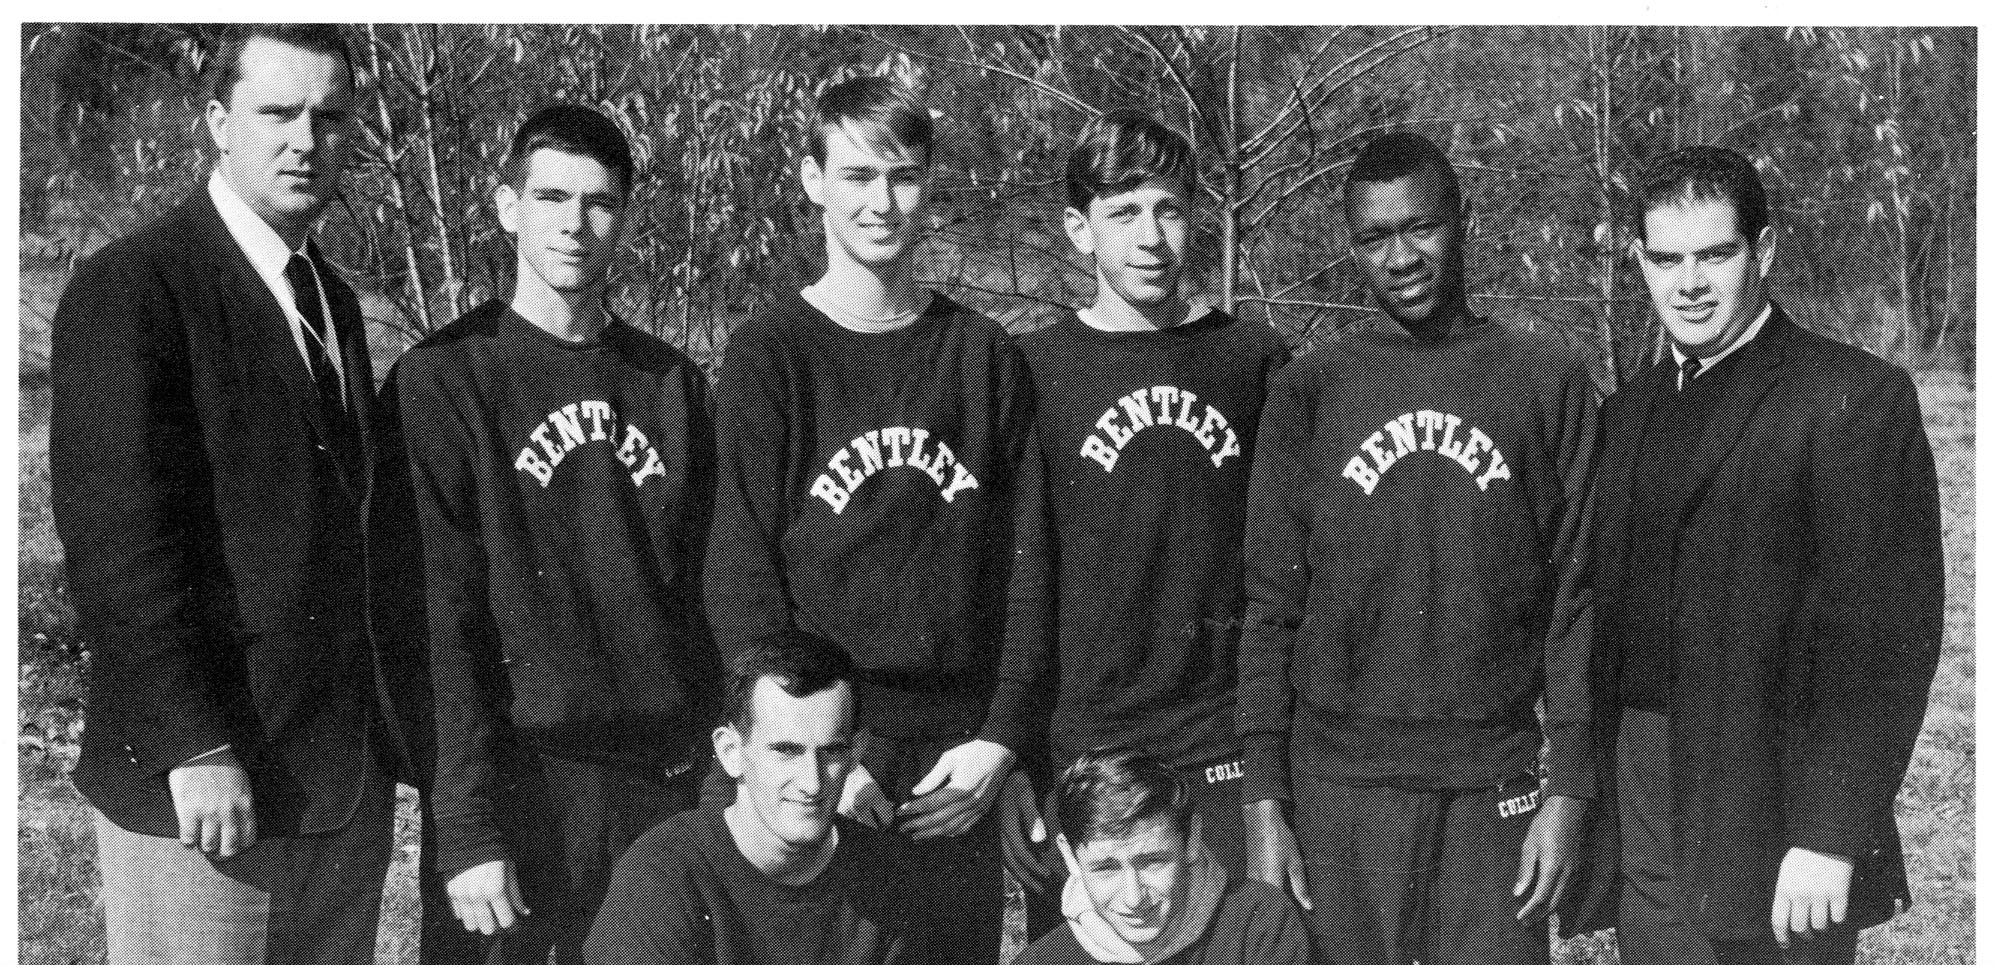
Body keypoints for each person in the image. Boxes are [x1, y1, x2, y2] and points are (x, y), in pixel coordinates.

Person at [48, 23, 424, 964]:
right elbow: (118, 543)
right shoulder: (134, 287)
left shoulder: (331, 300)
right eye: (277, 112)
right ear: (218, 120)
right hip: (204, 798)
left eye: (330, 117)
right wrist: (194, 747)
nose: (306, 139)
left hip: (334, 789)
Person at [1235, 131, 1599, 965]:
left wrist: (1570, 784)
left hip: (1492, 781)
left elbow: (1580, 595)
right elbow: (1269, 607)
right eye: (1373, 237)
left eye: (1420, 228)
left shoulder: (1545, 378)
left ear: (1462, 220)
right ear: (1352, 246)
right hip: (1342, 790)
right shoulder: (1312, 390)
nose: (1400, 257)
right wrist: (1264, 799)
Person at [1588, 145, 1943, 965]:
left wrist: (1830, 831)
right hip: (1646, 810)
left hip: (1775, 821)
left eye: (1716, 253)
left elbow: (1887, 642)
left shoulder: (1852, 399)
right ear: (1639, 261)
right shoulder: (1628, 413)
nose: (1690, 283)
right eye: (1667, 258)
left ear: (1766, 249)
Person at [703, 74, 1029, 965]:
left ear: (929, 186)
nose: (882, 202)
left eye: (904, 176)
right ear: (812, 180)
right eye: (856, 175)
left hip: (953, 763)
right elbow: (740, 573)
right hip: (830, 753)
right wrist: (820, 757)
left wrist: (1000, 738)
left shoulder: (981, 354)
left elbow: (1028, 568)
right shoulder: (771, 353)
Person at [387, 103, 721, 963]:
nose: (574, 224)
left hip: (659, 782)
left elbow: (707, 598)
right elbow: (437, 622)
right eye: (550, 197)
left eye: (600, 202)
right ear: (506, 206)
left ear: (627, 217)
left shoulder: (671, 382)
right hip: (520, 786)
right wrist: (464, 825)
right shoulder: (444, 379)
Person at [992, 109, 1288, 915]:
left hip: (1220, 745)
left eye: (1169, 208)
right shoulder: (1035, 370)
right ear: (1078, 229)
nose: (1151, 236)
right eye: (1123, 212)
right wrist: (1014, 757)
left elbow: (1283, 583)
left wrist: (1272, 776)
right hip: (1087, 752)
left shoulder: (1253, 361)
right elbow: (1015, 582)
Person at [585, 635, 923, 965]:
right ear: (731, 753)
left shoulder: (886, 872)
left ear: (857, 752)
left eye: (832, 752)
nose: (812, 782)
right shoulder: (664, 872)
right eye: (785, 751)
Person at [1014, 750, 1314, 965]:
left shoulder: (1259, 920)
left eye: (1153, 861)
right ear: (1070, 856)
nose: (1134, 897)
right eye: (1106, 868)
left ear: (1191, 838)